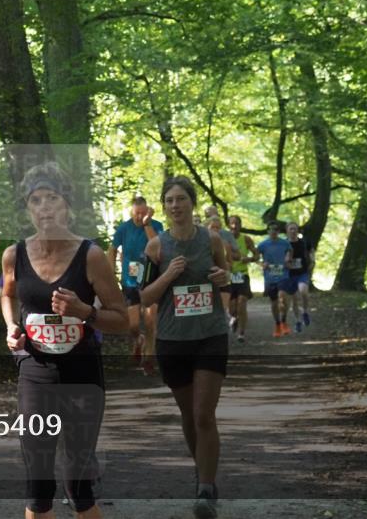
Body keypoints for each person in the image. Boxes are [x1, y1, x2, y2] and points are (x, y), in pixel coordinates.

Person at [0, 161, 128, 519]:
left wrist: (84, 311)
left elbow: (121, 319)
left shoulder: (91, 255)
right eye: (36, 200)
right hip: (35, 372)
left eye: (52, 198)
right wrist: (12, 325)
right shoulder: (15, 254)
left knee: (78, 486)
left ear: (67, 204)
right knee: (38, 487)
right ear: (27, 208)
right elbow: (9, 294)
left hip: (82, 374)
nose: (45, 207)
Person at [140, 176, 230, 519]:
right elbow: (145, 296)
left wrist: (223, 279)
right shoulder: (156, 247)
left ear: (192, 202)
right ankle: (202, 470)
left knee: (204, 414)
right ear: (164, 207)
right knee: (189, 415)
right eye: (169, 201)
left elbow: (226, 276)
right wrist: (168, 275)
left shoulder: (212, 239)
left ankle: (205, 488)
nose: (175, 206)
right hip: (173, 339)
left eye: (181, 199)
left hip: (210, 334)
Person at [108, 196, 163, 370]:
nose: (139, 216)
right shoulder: (124, 228)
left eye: (143, 213)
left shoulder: (156, 225)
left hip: (151, 279)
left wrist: (147, 225)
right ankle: (138, 339)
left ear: (148, 211)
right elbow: (112, 250)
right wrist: (110, 275)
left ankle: (149, 357)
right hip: (130, 281)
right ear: (132, 212)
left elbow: (159, 247)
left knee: (150, 321)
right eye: (137, 213)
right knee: (132, 325)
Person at [255, 221, 292, 337]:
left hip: (283, 275)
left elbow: (290, 251)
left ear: (279, 231)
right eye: (271, 229)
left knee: (282, 296)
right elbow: (255, 257)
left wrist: (287, 259)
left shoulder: (285, 243)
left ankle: (284, 321)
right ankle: (277, 324)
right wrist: (262, 264)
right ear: (268, 231)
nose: (273, 231)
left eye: (276, 229)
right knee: (274, 302)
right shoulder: (263, 245)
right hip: (270, 277)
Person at [227, 216, 258, 343]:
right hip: (229, 276)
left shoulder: (246, 239)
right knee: (232, 308)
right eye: (232, 224)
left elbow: (256, 255)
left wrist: (250, 259)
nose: (234, 226)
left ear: (240, 225)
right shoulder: (223, 239)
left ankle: (241, 333)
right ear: (229, 225)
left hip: (242, 275)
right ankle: (234, 317)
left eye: (236, 223)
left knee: (242, 302)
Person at [285, 222, 314, 332]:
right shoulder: (284, 244)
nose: (293, 231)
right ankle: (298, 321)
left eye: (295, 229)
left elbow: (311, 250)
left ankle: (305, 312)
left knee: (303, 292)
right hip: (290, 275)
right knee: (294, 300)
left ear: (298, 231)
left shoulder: (303, 242)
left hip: (302, 272)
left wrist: (312, 260)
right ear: (287, 231)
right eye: (291, 229)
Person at [206, 217, 234, 321]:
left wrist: (225, 265)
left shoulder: (225, 244)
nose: (215, 230)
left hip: (222, 281)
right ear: (206, 227)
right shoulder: (199, 244)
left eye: (218, 228)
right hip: (206, 282)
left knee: (221, 312)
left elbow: (231, 264)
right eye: (213, 227)